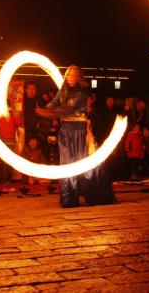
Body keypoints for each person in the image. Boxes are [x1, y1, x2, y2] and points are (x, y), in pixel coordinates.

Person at [37, 66, 113, 207]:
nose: (71, 78)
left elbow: (68, 108)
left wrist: (49, 113)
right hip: (65, 131)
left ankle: (91, 196)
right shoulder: (63, 91)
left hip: (79, 131)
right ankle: (69, 199)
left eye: (74, 75)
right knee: (67, 164)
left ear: (79, 77)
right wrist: (45, 108)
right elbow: (54, 102)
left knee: (83, 164)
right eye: (69, 75)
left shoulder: (82, 92)